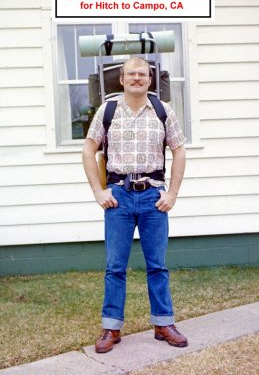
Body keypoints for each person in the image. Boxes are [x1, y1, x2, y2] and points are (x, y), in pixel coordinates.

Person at [82, 57, 188, 353]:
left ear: (150, 79)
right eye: (132, 74)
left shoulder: (163, 110)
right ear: (122, 78)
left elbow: (179, 152)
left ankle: (163, 323)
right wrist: (98, 191)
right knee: (115, 267)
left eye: (142, 74)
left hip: (154, 197)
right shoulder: (109, 110)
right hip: (119, 197)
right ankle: (111, 328)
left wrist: (173, 193)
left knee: (158, 265)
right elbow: (88, 150)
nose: (137, 78)